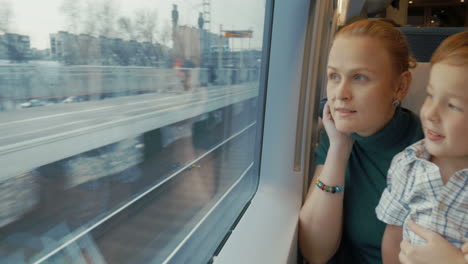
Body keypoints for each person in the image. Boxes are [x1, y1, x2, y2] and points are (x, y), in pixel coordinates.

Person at [299, 19, 424, 264]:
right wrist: (338, 149)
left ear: (400, 86)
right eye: (334, 76)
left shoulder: (427, 148)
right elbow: (315, 252)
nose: (340, 94)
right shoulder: (333, 138)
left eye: (359, 78)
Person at [376, 31, 468, 264]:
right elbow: (393, 237)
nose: (430, 113)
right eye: (430, 95)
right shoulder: (407, 166)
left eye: (453, 106)